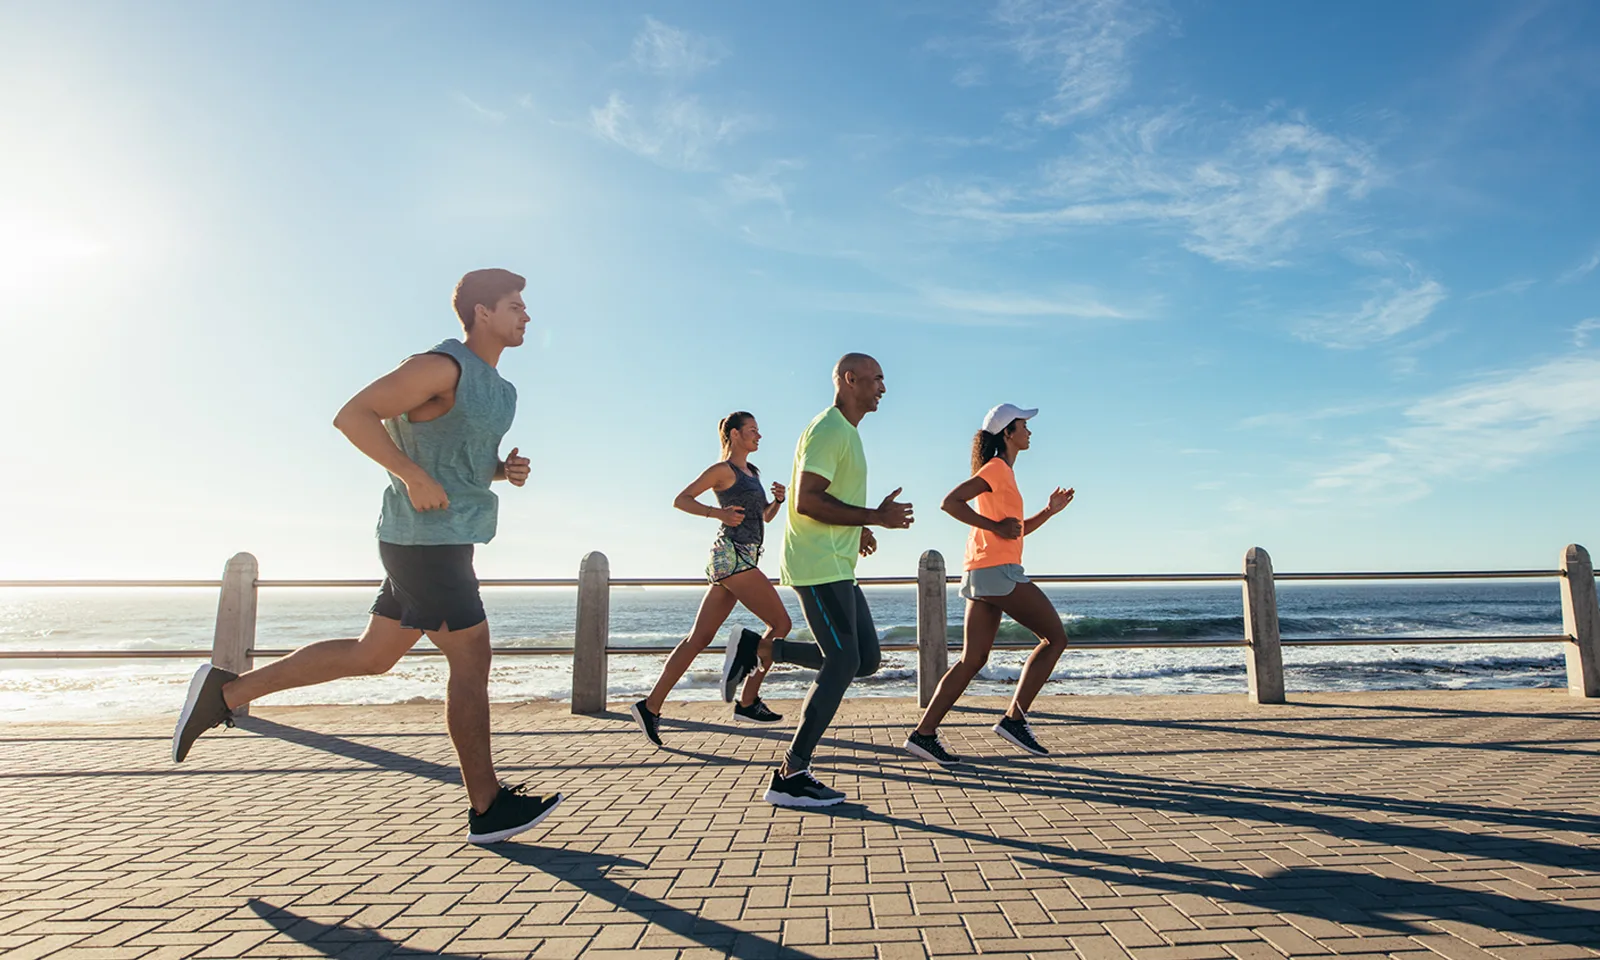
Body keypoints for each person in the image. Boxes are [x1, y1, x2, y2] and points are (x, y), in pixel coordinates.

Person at [171, 268, 563, 845]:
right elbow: (353, 414)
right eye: (514, 305)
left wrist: (502, 470)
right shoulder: (440, 365)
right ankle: (487, 806)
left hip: (449, 537)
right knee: (472, 659)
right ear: (482, 312)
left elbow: (456, 453)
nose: (525, 315)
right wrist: (407, 474)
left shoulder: (499, 389)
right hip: (422, 541)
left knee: (373, 655)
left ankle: (224, 694)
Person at [724, 353, 913, 808]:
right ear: (850, 379)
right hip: (817, 563)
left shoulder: (845, 433)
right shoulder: (829, 429)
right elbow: (807, 501)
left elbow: (828, 497)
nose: (883, 388)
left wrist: (860, 527)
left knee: (865, 660)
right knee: (843, 662)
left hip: (837, 562)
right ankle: (792, 772)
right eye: (876, 379)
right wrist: (875, 517)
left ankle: (760, 648)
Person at [904, 403, 1074, 765]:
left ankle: (924, 734)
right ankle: (1015, 719)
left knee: (973, 658)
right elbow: (950, 502)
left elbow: (1016, 529)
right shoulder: (996, 468)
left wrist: (1049, 511)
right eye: (1024, 426)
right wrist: (994, 527)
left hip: (983, 571)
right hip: (998, 571)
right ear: (1007, 434)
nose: (1030, 431)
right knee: (1055, 638)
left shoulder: (1004, 474)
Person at [629, 412, 793, 747]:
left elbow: (761, 517)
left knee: (698, 638)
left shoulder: (752, 473)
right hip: (731, 555)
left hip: (743, 555)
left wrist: (777, 501)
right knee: (781, 624)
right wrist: (716, 513)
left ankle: (649, 706)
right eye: (752, 431)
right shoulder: (723, 471)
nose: (759, 436)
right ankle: (747, 701)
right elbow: (681, 499)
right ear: (734, 434)